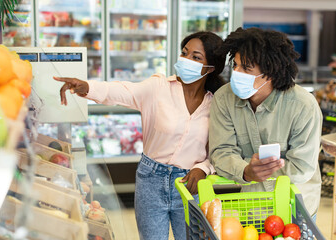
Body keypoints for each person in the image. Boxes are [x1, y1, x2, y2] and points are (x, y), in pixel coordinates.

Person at [54, 31, 226, 240]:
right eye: (184, 53)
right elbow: (122, 91)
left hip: (190, 185)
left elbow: (220, 149)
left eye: (195, 57)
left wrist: (203, 167)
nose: (186, 60)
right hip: (151, 180)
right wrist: (87, 87)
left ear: (211, 68)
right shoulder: (158, 87)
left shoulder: (217, 104)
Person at [209, 27, 322, 219]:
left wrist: (256, 172)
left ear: (270, 73)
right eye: (235, 65)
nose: (236, 73)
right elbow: (221, 152)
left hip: (295, 207)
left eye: (246, 68)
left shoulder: (303, 106)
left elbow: (301, 167)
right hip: (250, 206)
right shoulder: (224, 98)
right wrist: (246, 171)